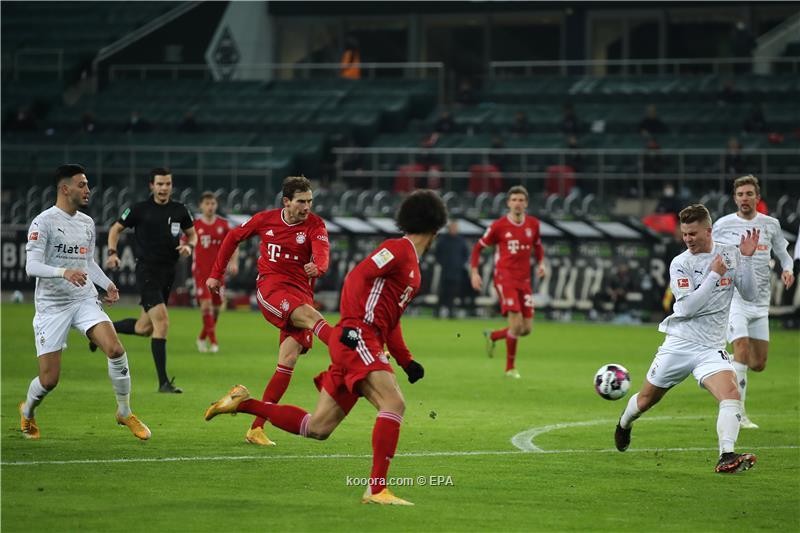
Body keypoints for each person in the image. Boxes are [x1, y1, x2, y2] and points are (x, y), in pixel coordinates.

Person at [204, 190, 448, 505]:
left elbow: (392, 319)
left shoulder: (412, 265)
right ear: (436, 226)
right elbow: (357, 277)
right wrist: (350, 325)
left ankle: (244, 403)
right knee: (394, 403)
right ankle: (376, 490)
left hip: (364, 336)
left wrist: (406, 360)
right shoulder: (397, 250)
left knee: (317, 428)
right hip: (358, 336)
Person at [614, 204, 760, 473]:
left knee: (731, 394)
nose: (688, 239)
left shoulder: (729, 253)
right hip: (680, 343)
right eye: (684, 234)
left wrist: (748, 260)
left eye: (693, 234)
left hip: (711, 347)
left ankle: (726, 455)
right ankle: (624, 423)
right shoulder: (681, 263)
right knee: (646, 400)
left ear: (709, 230)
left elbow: (750, 295)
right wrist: (715, 274)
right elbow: (688, 308)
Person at [20, 164, 150, 441]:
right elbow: (31, 266)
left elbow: (87, 262)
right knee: (49, 380)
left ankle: (124, 411)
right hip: (52, 306)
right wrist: (62, 272)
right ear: (65, 189)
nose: (88, 190)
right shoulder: (43, 222)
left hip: (83, 299)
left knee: (115, 349)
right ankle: (28, 410)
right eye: (82, 185)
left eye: (88, 185)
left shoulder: (87, 223)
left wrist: (107, 284)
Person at [206, 176, 334, 447]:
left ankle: (255, 426)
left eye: (310, 201)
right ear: (286, 201)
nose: (307, 207)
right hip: (272, 290)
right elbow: (232, 237)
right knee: (313, 318)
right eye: (301, 202)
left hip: (301, 294)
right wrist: (216, 274)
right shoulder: (265, 219)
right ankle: (352, 353)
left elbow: (322, 252)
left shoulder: (315, 225)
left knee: (287, 362)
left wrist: (318, 267)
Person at [95, 167, 197, 393]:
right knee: (162, 323)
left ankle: (100, 331)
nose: (164, 188)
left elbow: (192, 234)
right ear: (152, 186)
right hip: (147, 271)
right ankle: (163, 383)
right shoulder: (139, 209)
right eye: (160, 184)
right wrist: (112, 252)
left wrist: (189, 246)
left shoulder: (179, 210)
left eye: (167, 184)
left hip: (168, 273)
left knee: (144, 328)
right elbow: (115, 229)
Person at [712, 175, 795, 428]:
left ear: (757, 198)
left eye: (749, 194)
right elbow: (710, 255)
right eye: (740, 195)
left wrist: (788, 269)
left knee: (758, 364)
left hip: (760, 304)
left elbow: (784, 254)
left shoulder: (770, 224)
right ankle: (739, 413)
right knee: (742, 350)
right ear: (735, 198)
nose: (744, 199)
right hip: (734, 299)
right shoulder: (724, 225)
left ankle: (719, 361)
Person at [470, 185, 545, 378]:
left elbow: (538, 246)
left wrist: (541, 264)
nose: (517, 204)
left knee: (526, 329)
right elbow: (478, 248)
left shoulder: (533, 225)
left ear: (526, 203)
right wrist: (474, 272)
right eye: (514, 200)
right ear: (508, 203)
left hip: (524, 280)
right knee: (516, 325)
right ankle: (510, 368)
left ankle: (493, 336)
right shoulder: (498, 226)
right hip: (505, 278)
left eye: (521, 200)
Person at [192, 191, 239, 353]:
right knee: (206, 307)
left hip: (218, 274)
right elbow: (186, 241)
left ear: (216, 205)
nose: (210, 207)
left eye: (212, 203)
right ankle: (213, 343)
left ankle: (201, 337)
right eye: (207, 204)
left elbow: (234, 244)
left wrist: (233, 261)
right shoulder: (195, 225)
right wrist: (184, 247)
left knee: (217, 310)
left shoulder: (223, 225)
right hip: (200, 273)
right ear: (201, 205)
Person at [434, 220, 470, 318]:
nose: (454, 229)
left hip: (457, 272)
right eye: (452, 227)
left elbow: (466, 255)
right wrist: (442, 263)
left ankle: (451, 311)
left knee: (453, 292)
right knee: (442, 292)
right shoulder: (443, 240)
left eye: (455, 228)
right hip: (445, 271)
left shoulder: (461, 241)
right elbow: (437, 254)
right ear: (449, 228)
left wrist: (460, 264)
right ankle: (437, 311)